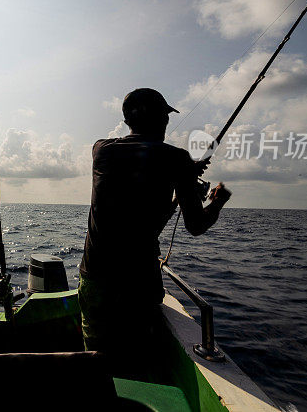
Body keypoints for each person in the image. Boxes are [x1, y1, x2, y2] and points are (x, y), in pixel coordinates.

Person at [78, 88, 231, 373]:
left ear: (128, 120)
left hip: (95, 276)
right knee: (136, 362)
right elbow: (196, 226)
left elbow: (141, 167)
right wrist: (218, 201)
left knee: (97, 362)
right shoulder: (177, 159)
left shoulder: (101, 150)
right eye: (166, 116)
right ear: (161, 119)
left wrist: (184, 170)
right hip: (137, 284)